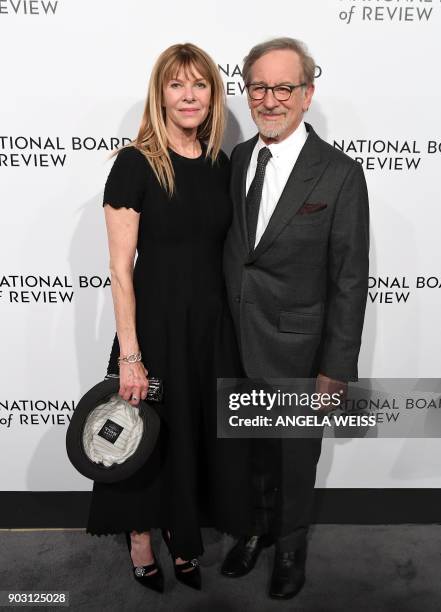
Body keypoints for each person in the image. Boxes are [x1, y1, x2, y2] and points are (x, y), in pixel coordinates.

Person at [85, 42, 243, 594]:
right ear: (161, 94)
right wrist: (131, 354)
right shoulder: (135, 165)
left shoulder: (223, 163)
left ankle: (183, 534)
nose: (189, 95)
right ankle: (140, 540)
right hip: (153, 328)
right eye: (177, 84)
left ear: (213, 93)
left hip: (209, 329)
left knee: (194, 437)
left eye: (199, 84)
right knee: (147, 438)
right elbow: (120, 270)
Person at [221, 37, 369, 600]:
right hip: (237, 339)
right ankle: (255, 530)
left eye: (285, 87)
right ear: (248, 93)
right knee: (250, 448)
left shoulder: (339, 174)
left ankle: (290, 546)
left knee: (294, 455)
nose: (271, 99)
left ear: (307, 95)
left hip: (301, 350)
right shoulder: (238, 160)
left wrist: (337, 369)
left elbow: (350, 280)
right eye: (260, 87)